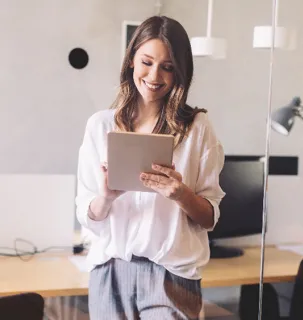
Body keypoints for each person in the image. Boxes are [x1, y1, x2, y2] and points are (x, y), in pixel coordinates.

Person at [75, 15, 225, 319]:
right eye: (147, 62)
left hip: (172, 276)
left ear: (180, 72)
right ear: (131, 60)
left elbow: (209, 218)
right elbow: (88, 218)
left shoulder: (197, 128)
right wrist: (105, 197)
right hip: (109, 271)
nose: (155, 75)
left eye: (167, 67)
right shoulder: (100, 125)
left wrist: (181, 194)